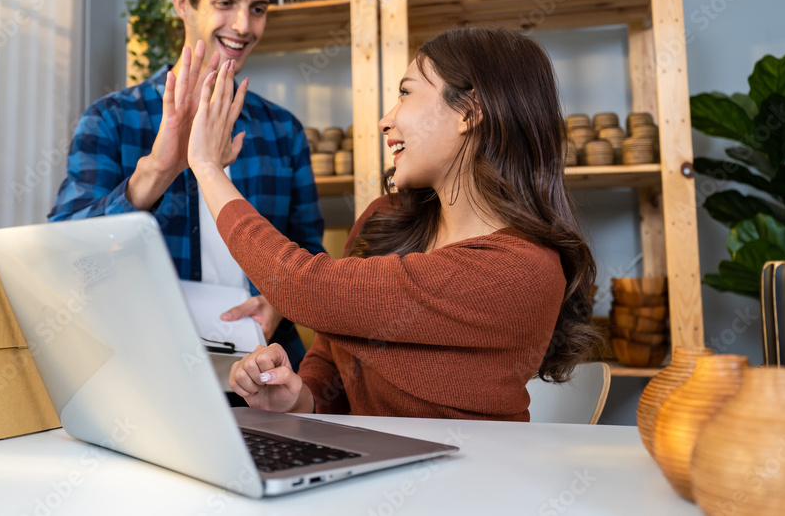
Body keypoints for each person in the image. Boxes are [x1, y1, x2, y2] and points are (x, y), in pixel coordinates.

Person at [186, 27, 599, 421]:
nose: (385, 121)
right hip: (371, 471)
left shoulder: (520, 269)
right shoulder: (385, 221)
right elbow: (331, 357)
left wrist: (207, 168)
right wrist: (299, 397)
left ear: (469, 113)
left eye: (405, 93)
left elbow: (302, 286)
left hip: (472, 484)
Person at [48, 0, 324, 368]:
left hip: (263, 368)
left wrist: (278, 300)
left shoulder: (282, 130)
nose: (243, 26)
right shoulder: (112, 119)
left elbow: (308, 250)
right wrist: (156, 171)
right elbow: (62, 251)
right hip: (146, 366)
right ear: (183, 5)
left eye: (257, 9)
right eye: (225, 2)